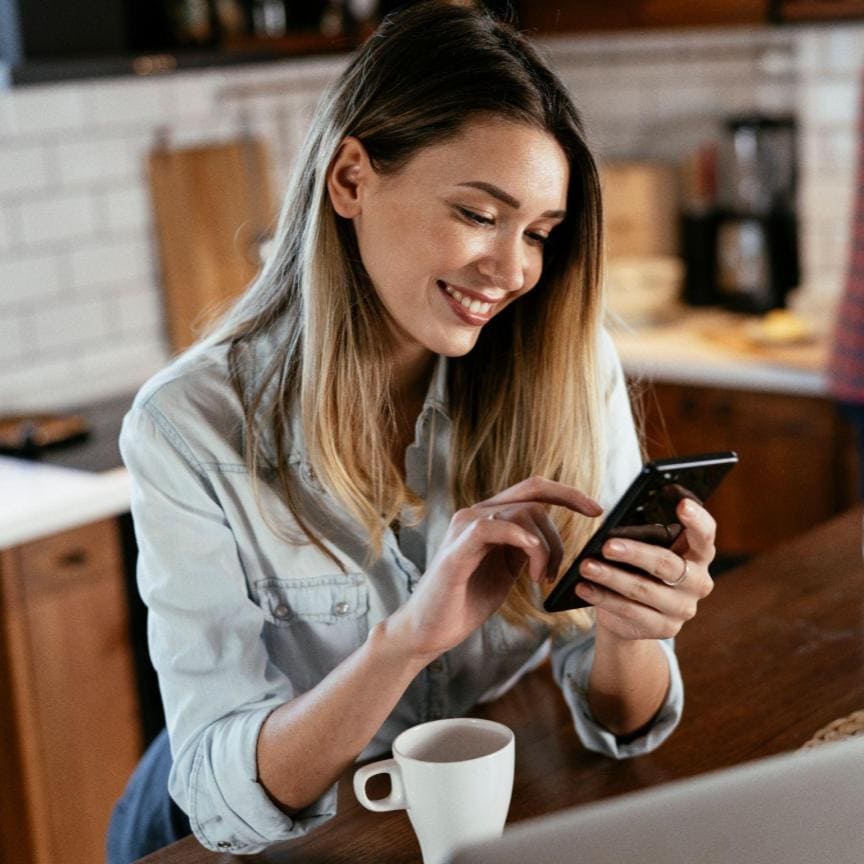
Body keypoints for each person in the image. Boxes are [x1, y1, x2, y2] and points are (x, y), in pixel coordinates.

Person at [107, 3, 718, 860]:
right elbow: (218, 800)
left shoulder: (567, 373)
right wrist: (403, 644)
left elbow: (622, 722)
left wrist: (630, 630)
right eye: (477, 214)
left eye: (539, 233)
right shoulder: (188, 425)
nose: (512, 271)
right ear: (352, 179)